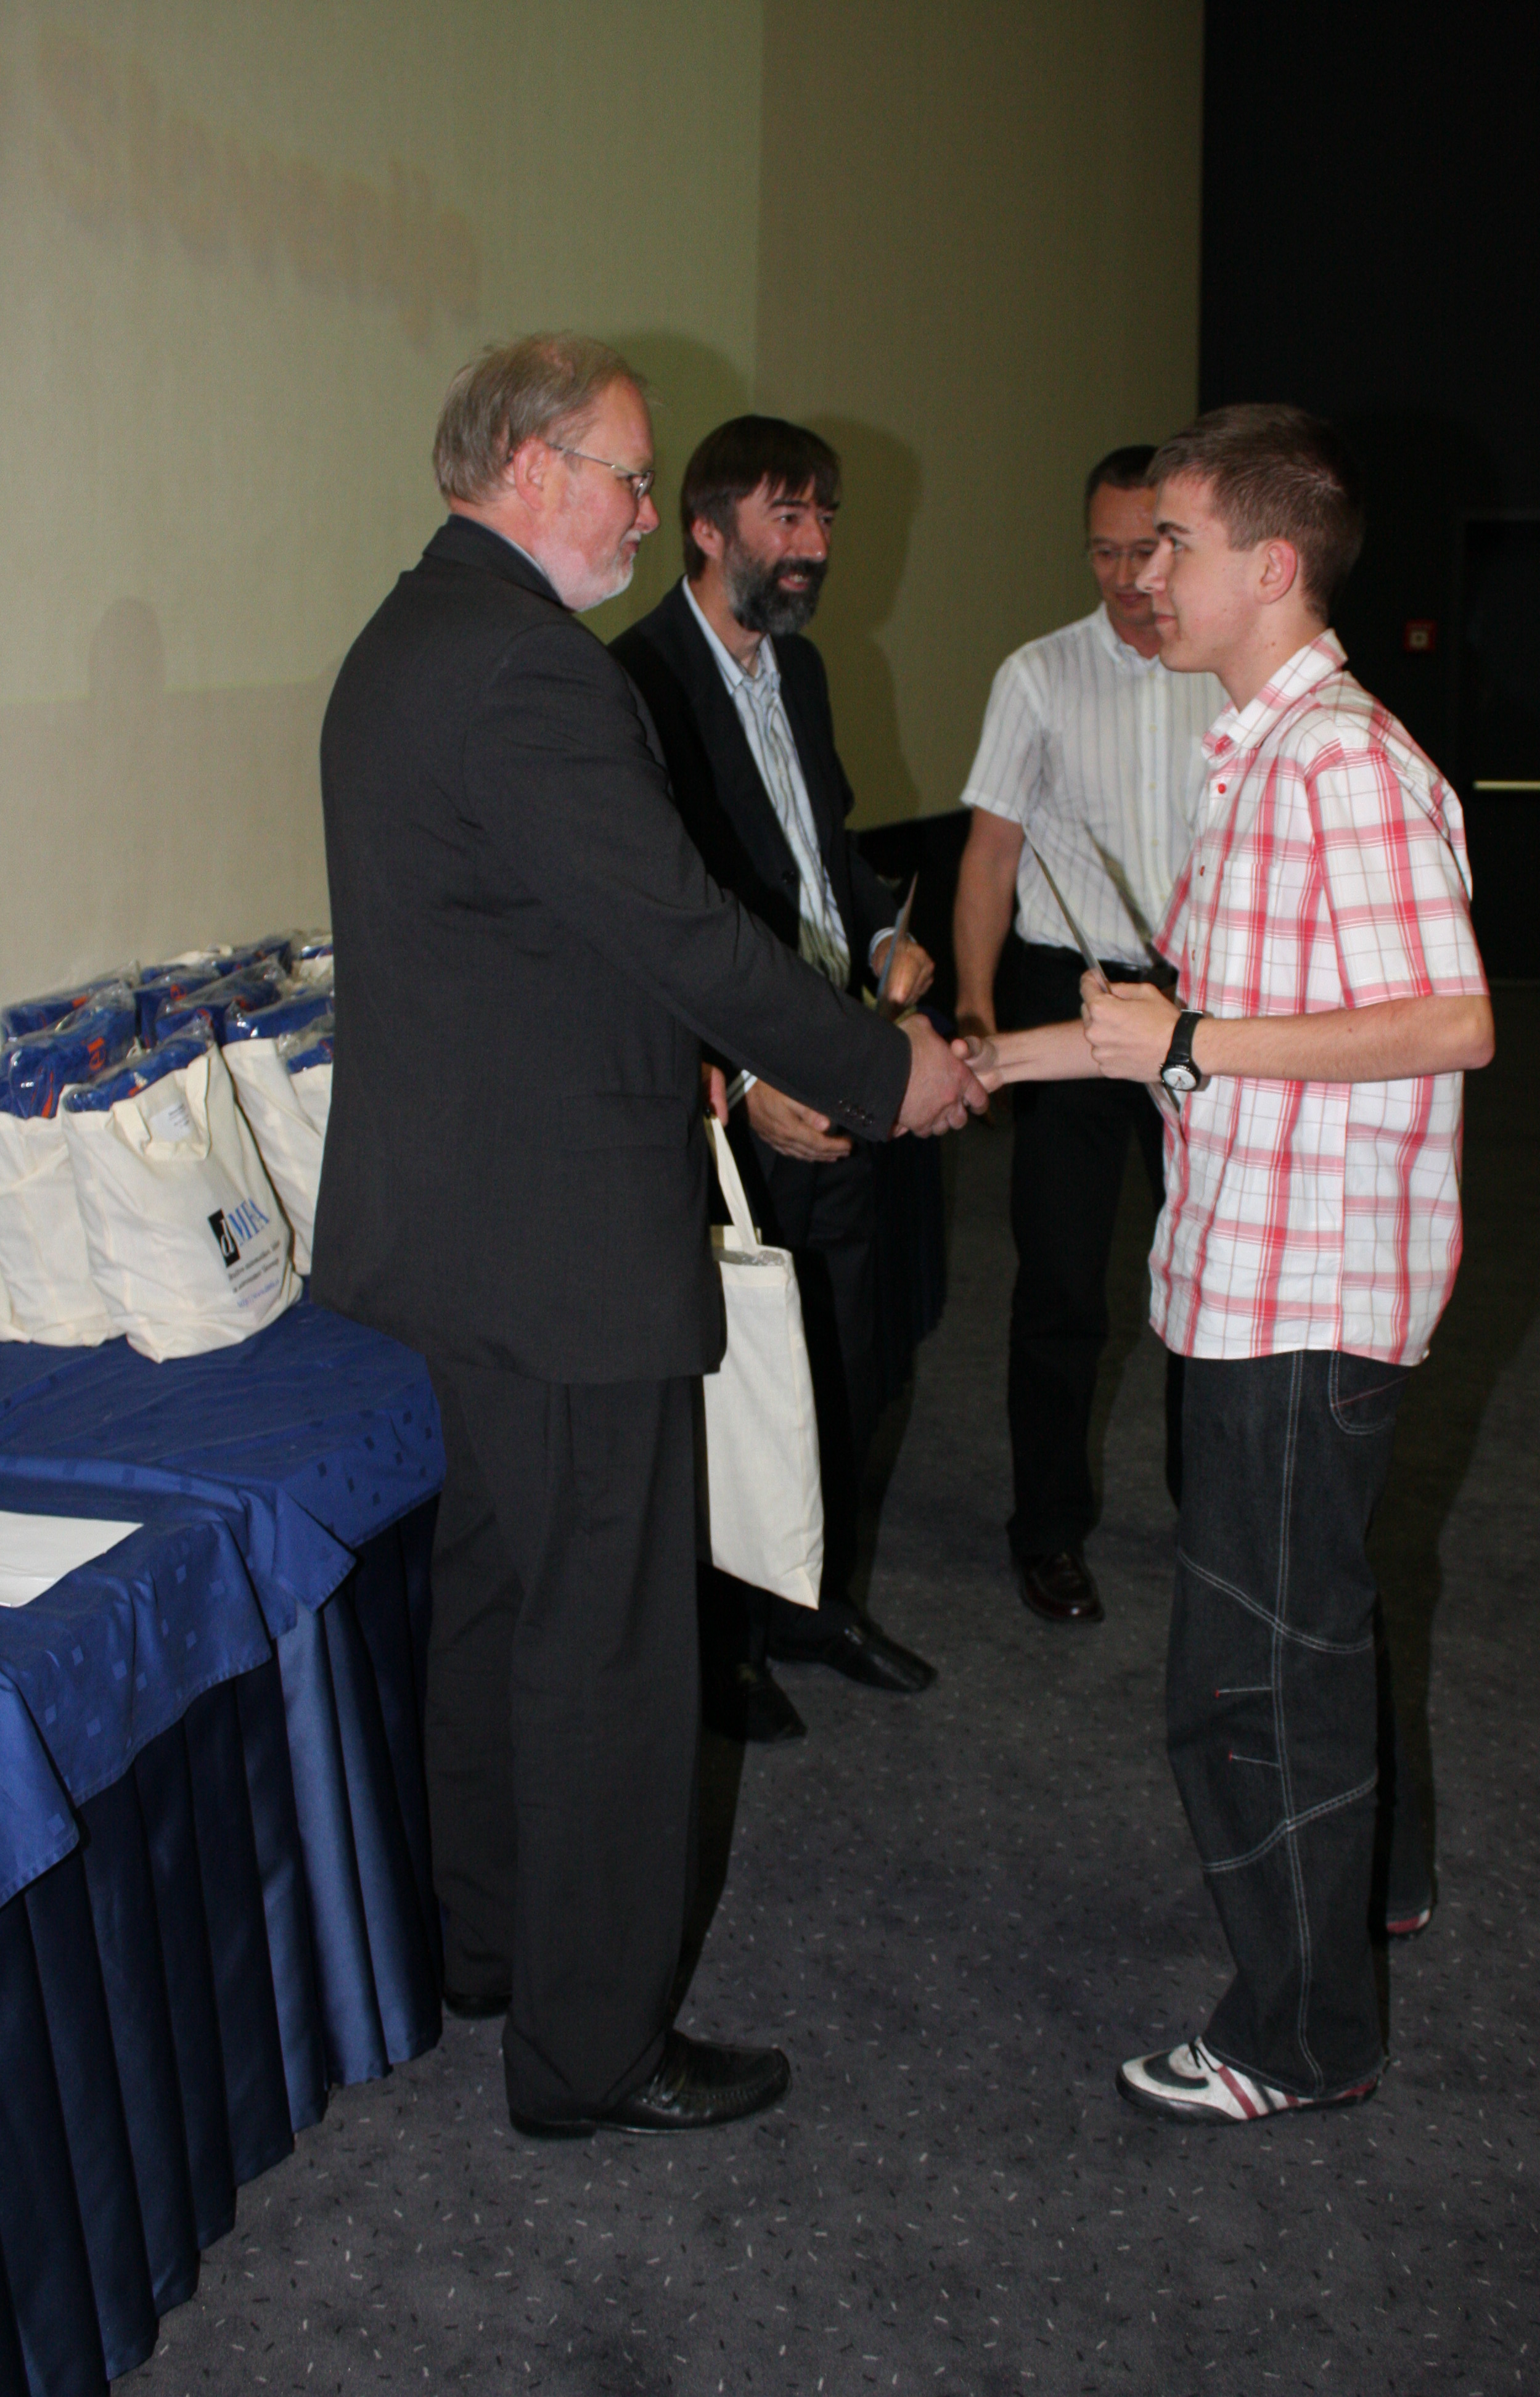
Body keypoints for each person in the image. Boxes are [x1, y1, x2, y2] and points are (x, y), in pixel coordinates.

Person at [314, 336, 985, 2141]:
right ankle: (592, 2050)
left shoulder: (407, 641)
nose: (640, 509)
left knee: (494, 1605)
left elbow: (544, 947)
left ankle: (488, 1953)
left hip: (453, 1239)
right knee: (607, 1652)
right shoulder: (532, 670)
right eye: (624, 474)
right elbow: (680, 931)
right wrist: (885, 1071)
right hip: (559, 1253)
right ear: (533, 468)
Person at [959, 404, 1493, 2124]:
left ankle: (1300, 2035)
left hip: (1303, 1294)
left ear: (1271, 567)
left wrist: (1193, 1041)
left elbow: (1451, 1019)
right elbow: (1164, 1029)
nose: (1144, 576)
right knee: (1310, 1625)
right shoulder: (1254, 753)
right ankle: (1369, 1893)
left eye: (1174, 544)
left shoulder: (1341, 762)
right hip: (1257, 1272)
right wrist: (977, 1064)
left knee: (1250, 1680)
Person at [612, 417, 938, 1744]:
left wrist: (883, 932)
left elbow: (824, 849)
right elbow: (658, 923)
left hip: (839, 1057)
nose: (813, 547)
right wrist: (742, 1080)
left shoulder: (800, 670)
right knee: (738, 1380)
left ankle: (812, 1604)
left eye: (824, 520)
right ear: (706, 528)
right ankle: (722, 1649)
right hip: (734, 1101)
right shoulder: (634, 682)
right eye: (786, 519)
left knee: (847, 1360)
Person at [952, 448, 1223, 1626]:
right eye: (1102, 552)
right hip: (1070, 990)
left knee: (1209, 1279)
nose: (1124, 576)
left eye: (1143, 550)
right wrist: (978, 1012)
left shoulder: (1225, 670)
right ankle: (1048, 1531)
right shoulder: (1039, 675)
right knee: (1061, 1282)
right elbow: (989, 857)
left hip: (1203, 1003)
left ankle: (1212, 1516)